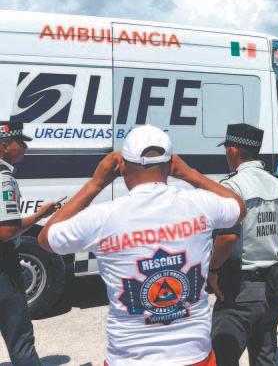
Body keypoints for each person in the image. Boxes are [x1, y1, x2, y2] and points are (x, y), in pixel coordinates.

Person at [38, 124, 246, 366]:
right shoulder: (200, 205)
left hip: (128, 358)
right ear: (171, 165)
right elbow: (239, 208)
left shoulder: (102, 217)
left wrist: (96, 183)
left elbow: (46, 238)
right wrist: (189, 173)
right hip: (194, 355)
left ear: (122, 166)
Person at [209, 123, 278, 366]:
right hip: (271, 289)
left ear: (233, 150)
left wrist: (213, 270)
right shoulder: (277, 184)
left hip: (239, 291)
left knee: (223, 357)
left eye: (226, 149)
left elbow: (227, 238)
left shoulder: (231, 186)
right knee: (264, 358)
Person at [0, 121, 58, 366]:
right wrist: (40, 215)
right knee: (20, 338)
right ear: (4, 146)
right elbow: (6, 231)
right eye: (20, 143)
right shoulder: (4, 179)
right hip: (3, 266)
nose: (25, 148)